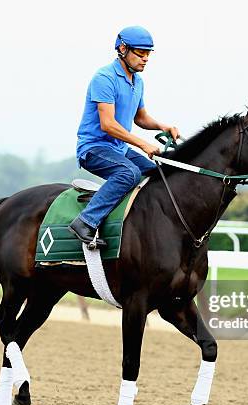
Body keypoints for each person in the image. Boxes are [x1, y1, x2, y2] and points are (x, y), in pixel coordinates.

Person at [69, 26, 180, 249]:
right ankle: (85, 221)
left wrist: (162, 126)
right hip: (94, 148)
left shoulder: (137, 81)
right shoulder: (104, 78)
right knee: (128, 173)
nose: (145, 59)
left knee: (156, 172)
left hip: (117, 148)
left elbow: (141, 117)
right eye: (140, 53)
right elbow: (108, 124)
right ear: (122, 49)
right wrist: (142, 143)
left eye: (148, 54)